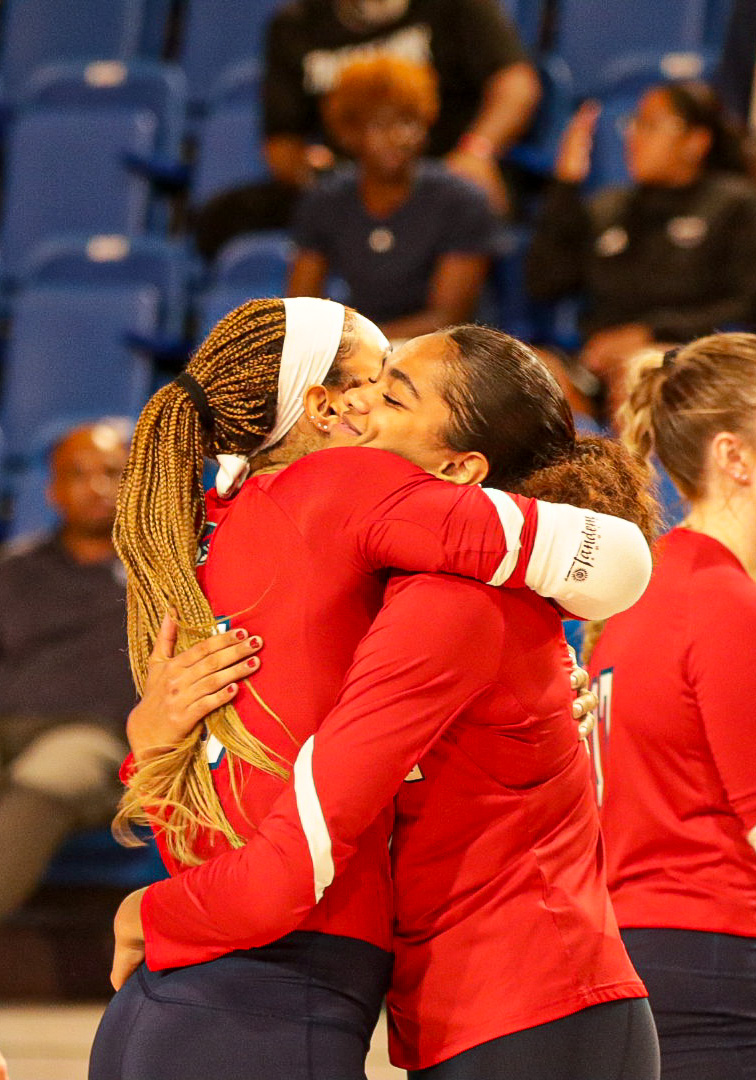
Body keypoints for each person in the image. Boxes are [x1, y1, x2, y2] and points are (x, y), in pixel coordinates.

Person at [91, 304, 655, 1078]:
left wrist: (147, 760)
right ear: (318, 407)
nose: (364, 411)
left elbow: (229, 838)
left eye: (392, 398)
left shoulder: (224, 535)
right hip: (303, 989)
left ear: (463, 472)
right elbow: (619, 561)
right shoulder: (353, 517)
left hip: (499, 1000)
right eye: (372, 388)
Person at [587, 333, 756, 1078]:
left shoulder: (642, 588)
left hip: (649, 952)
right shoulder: (724, 601)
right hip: (719, 957)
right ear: (735, 457)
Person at [192, 0, 540, 255]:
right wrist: (308, 168)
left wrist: (477, 150)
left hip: (441, 168)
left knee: (472, 199)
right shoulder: (294, 24)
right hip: (352, 179)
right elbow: (281, 141)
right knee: (224, 217)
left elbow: (516, 84)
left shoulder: (456, 7)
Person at [526, 81, 756, 423]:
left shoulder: (735, 205)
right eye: (633, 124)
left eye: (650, 125)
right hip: (594, 363)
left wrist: (651, 333)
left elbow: (745, 304)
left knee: (642, 373)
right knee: (528, 374)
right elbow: (546, 282)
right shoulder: (611, 207)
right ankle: (587, 465)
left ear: (696, 142)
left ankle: (634, 473)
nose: (633, 136)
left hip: (687, 360)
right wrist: (566, 184)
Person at [0, 420, 134, 921]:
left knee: (44, 779)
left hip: (91, 739)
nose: (96, 487)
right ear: (54, 489)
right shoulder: (12, 570)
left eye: (111, 472)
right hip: (8, 726)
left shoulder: (161, 572)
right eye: (78, 474)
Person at [288, 54, 497, 339]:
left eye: (409, 122)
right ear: (351, 133)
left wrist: (358, 345)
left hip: (444, 353)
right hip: (363, 351)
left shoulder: (461, 200)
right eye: (381, 125)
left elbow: (449, 319)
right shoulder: (324, 202)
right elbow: (302, 308)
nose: (399, 137)